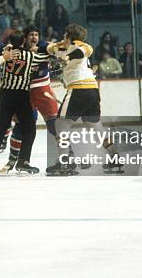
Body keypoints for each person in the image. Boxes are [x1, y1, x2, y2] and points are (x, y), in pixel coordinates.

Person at [46, 24, 119, 176]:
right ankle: (115, 158)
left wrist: (66, 57)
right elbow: (49, 48)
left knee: (61, 123)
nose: (62, 38)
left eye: (64, 35)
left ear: (69, 37)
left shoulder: (78, 45)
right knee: (97, 128)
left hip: (78, 89)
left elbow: (82, 52)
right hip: (92, 90)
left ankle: (64, 163)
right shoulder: (62, 47)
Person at [0, 30, 45, 173]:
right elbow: (45, 58)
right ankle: (23, 161)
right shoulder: (30, 55)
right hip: (22, 97)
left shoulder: (6, 52)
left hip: (6, 95)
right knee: (30, 130)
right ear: (24, 40)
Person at [2, 26, 60, 171]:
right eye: (31, 35)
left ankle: (68, 157)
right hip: (25, 93)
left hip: (42, 91)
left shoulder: (44, 47)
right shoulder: (17, 51)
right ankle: (14, 161)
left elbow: (55, 50)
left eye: (36, 35)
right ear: (24, 38)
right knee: (21, 128)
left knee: (55, 125)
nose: (34, 37)